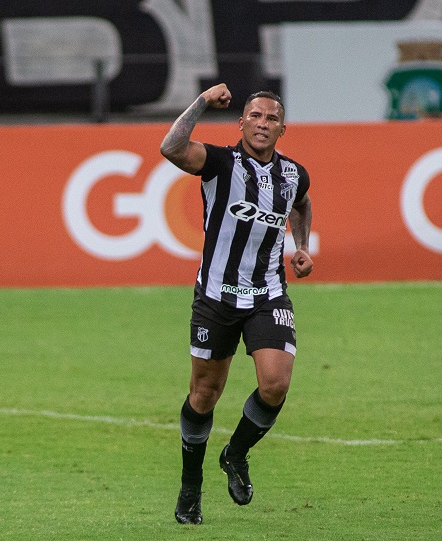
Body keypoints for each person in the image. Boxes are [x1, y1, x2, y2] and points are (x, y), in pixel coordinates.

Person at [160, 83, 313, 525]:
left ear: (283, 129)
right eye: (256, 116)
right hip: (216, 297)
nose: (263, 124)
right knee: (204, 395)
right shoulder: (219, 162)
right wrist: (203, 102)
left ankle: (236, 454)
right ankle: (191, 489)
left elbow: (301, 204)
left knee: (275, 385)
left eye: (271, 118)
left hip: (268, 293)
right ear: (241, 122)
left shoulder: (293, 174)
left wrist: (301, 247)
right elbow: (171, 147)